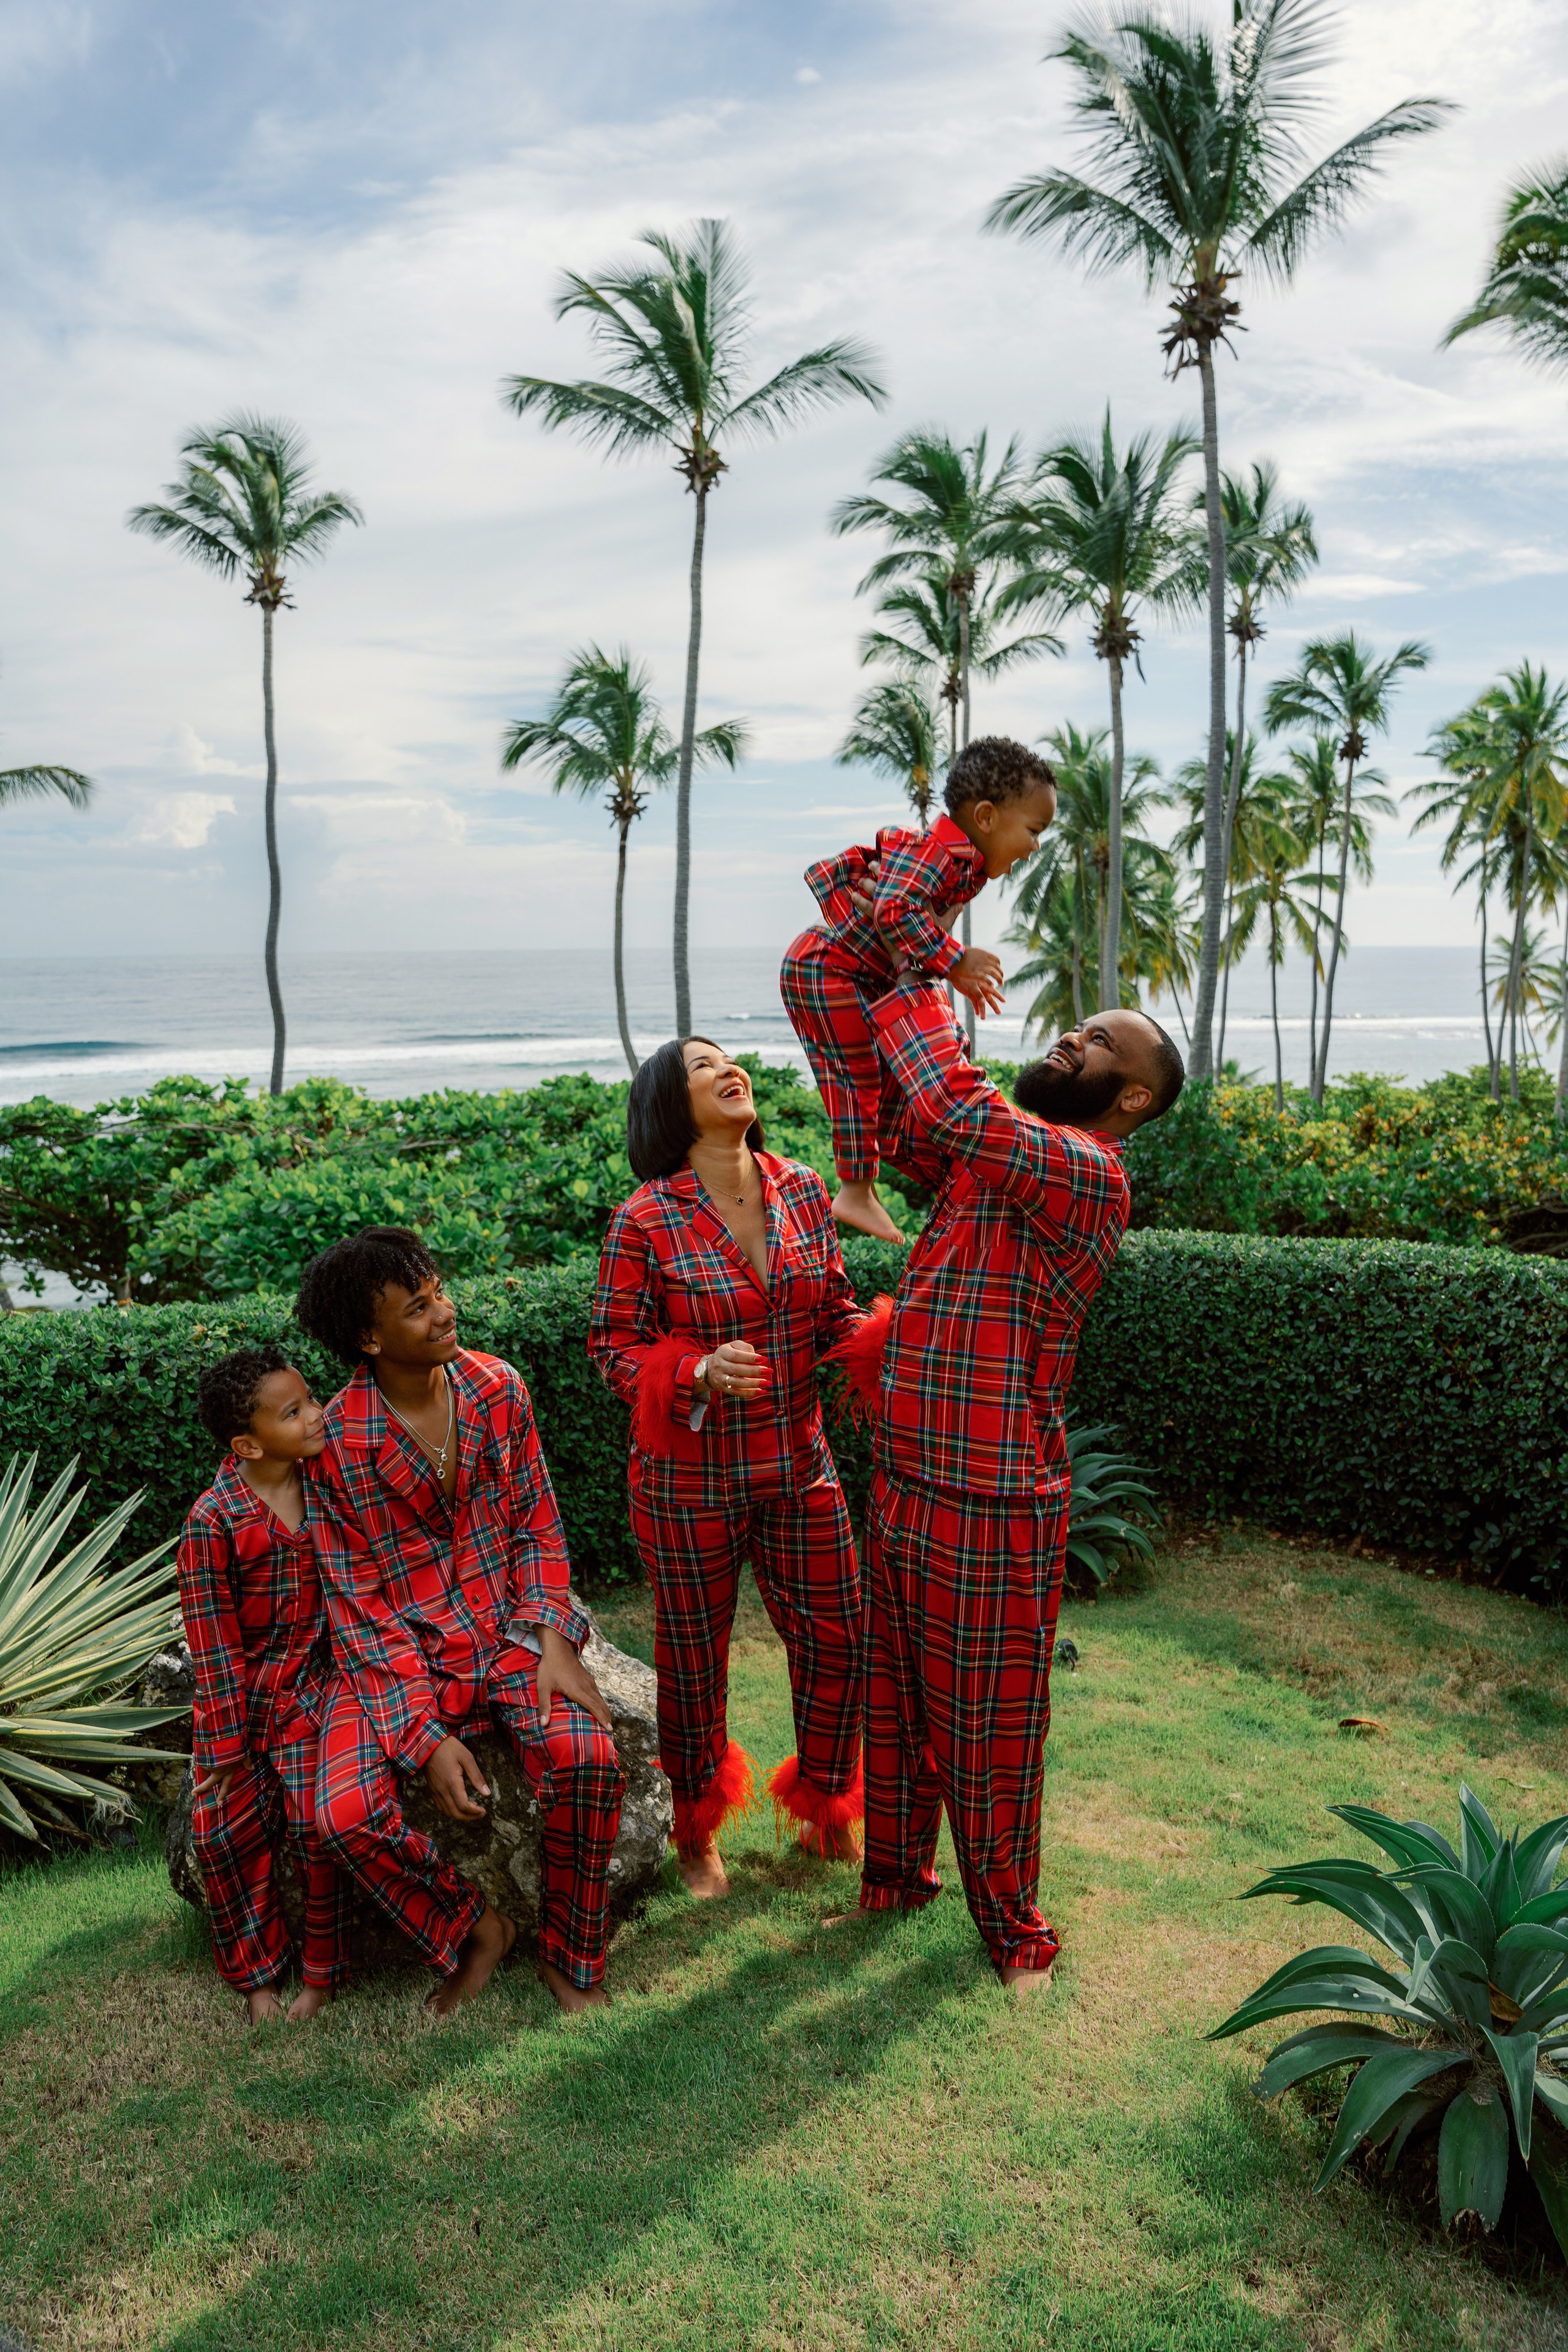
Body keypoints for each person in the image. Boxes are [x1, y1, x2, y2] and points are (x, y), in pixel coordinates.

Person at [845, 975, 1185, 1991]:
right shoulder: (1001, 1164)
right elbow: (912, 1119)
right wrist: (870, 995)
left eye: (1100, 1043)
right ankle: (896, 1879)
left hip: (991, 1504)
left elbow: (952, 1104)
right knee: (898, 1704)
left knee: (987, 1728)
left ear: (1130, 1097)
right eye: (1080, 1027)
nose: (1073, 1037)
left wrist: (909, 977)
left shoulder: (1087, 1171)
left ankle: (1013, 1931)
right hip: (906, 1474)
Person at [298, 1227, 624, 2015]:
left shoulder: (498, 1388)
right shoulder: (335, 1443)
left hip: (507, 1631)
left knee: (588, 1757)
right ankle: (475, 1927)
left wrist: (554, 1642)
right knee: (341, 1816)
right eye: (419, 1307)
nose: (446, 1311)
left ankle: (573, 1957)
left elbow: (539, 1526)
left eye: (440, 1290)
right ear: (370, 1338)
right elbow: (360, 1610)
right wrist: (424, 1739)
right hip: (399, 1657)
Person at [588, 1038, 871, 1901]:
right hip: (688, 1482)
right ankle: (697, 1828)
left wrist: (883, 1343)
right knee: (694, 1658)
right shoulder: (646, 1217)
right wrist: (696, 1371)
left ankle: (828, 1804)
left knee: (840, 1637)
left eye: (724, 1057)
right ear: (670, 1108)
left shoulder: (805, 1188)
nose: (724, 1069)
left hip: (798, 1461)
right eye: (698, 1067)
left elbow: (830, 1307)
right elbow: (612, 1349)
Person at [779, 735, 1057, 1245]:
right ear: (988, 817)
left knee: (891, 1096)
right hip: (829, 970)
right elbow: (895, 910)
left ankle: (874, 1189)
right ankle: (855, 1189)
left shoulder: (966, 866)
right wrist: (954, 962)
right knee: (857, 1076)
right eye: (1034, 830)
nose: (1036, 845)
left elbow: (915, 928)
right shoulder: (935, 851)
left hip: (864, 975)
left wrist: (954, 975)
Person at [178, 1346, 352, 2024]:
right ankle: (257, 1981)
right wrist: (222, 1747)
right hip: (244, 1703)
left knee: (318, 1824)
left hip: (318, 1687)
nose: (317, 1414)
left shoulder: (329, 1486)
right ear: (247, 1444)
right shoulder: (212, 1522)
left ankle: (320, 1975)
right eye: (296, 1411)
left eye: (311, 1398)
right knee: (223, 1832)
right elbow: (213, 1646)